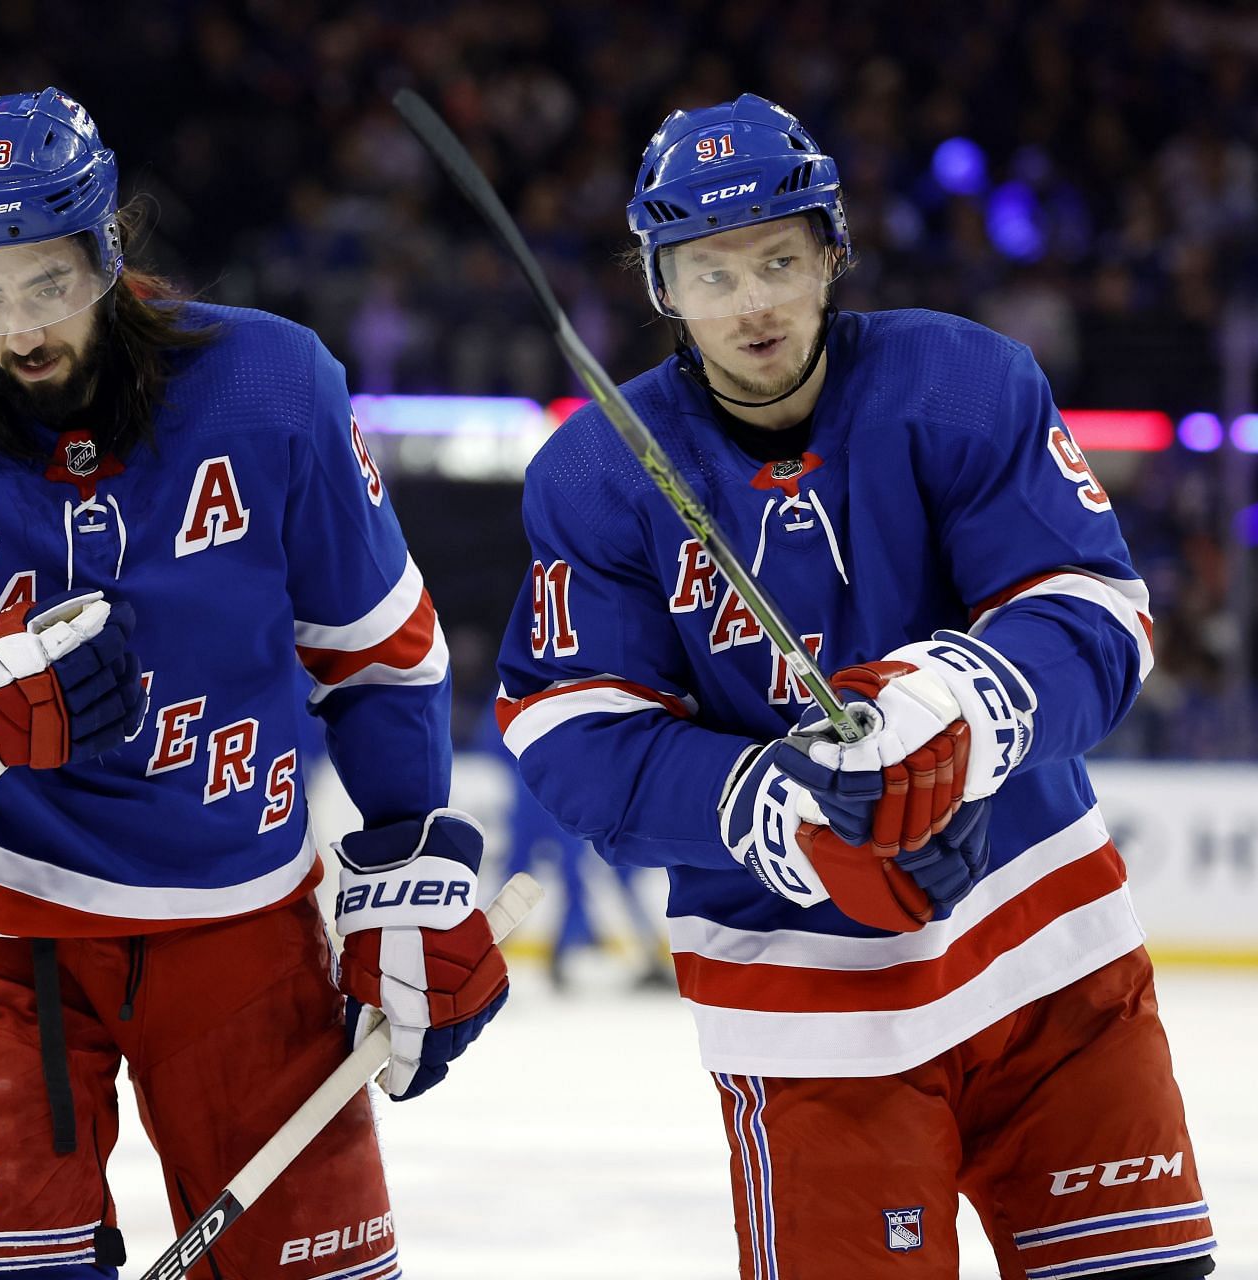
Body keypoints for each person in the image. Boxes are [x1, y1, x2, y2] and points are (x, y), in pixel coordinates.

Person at [0, 88, 509, 1280]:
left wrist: (409, 856)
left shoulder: (272, 387)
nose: (16, 327)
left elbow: (378, 646)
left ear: (108, 249)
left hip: (245, 927)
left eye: (45, 282)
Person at [493, 94, 1214, 1280]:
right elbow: (571, 723)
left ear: (833, 250)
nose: (755, 302)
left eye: (780, 259)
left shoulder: (964, 381)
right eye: (712, 272)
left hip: (1051, 965)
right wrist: (761, 800)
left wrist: (959, 704)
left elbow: (1098, 610)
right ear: (663, 287)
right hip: (804, 1012)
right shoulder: (597, 470)